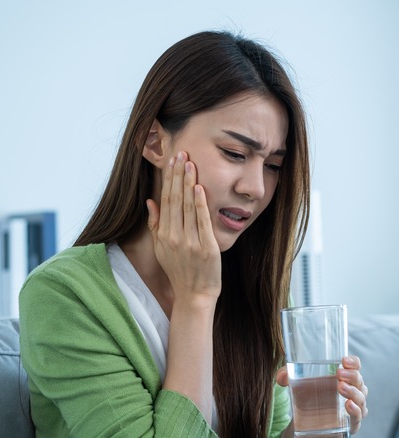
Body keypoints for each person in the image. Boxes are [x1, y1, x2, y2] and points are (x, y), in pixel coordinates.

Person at [19, 30, 369, 437]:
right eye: (235, 154)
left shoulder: (259, 288)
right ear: (154, 142)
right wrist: (196, 300)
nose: (255, 187)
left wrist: (306, 432)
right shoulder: (63, 296)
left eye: (272, 165)